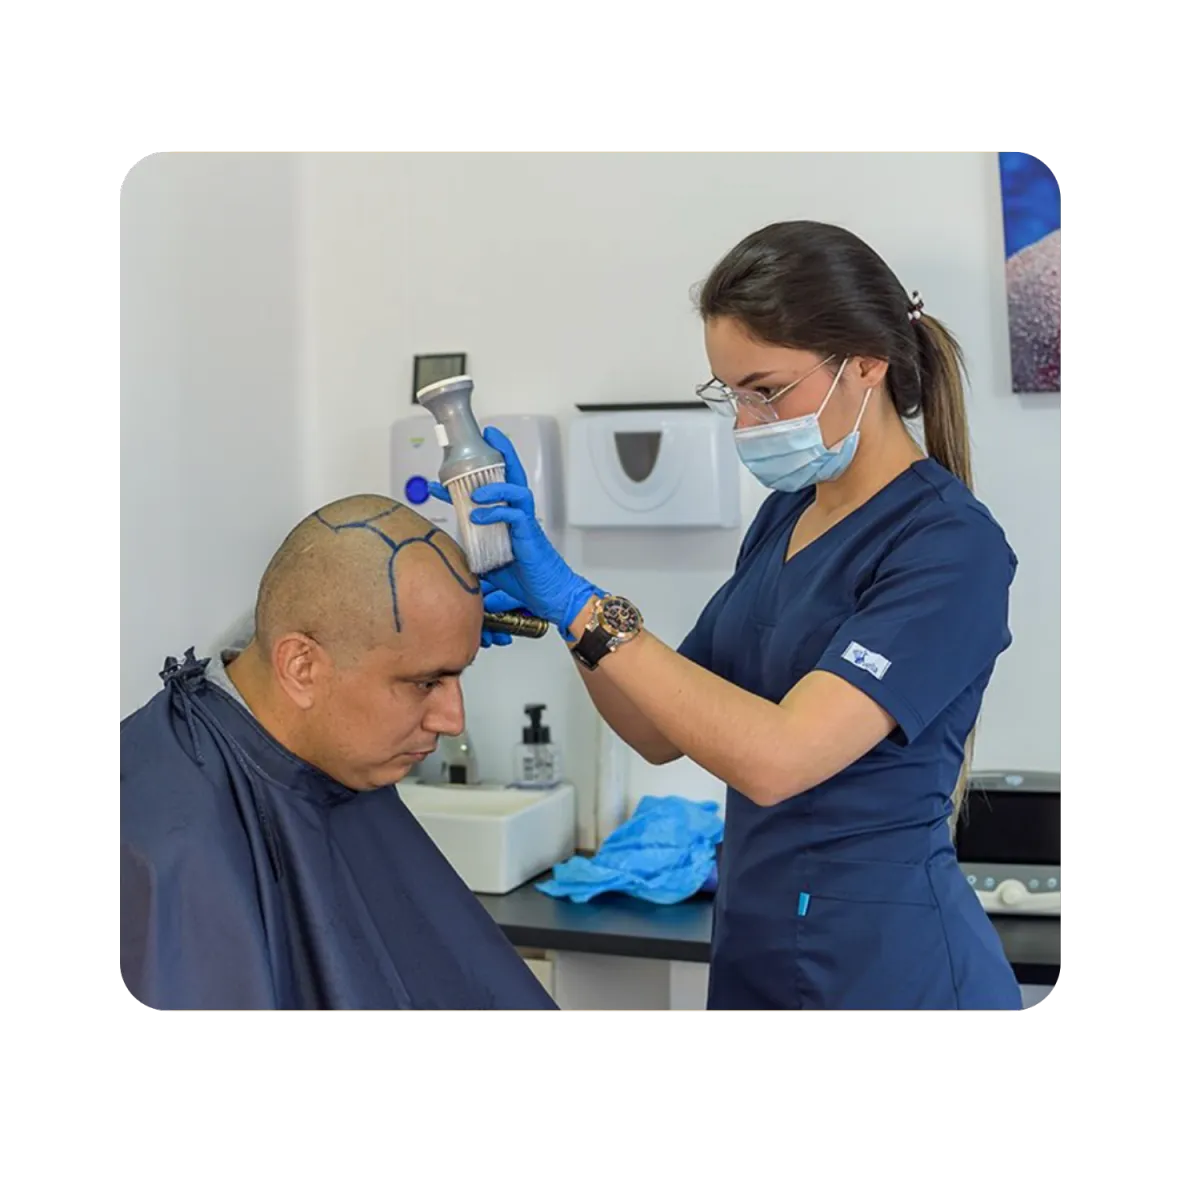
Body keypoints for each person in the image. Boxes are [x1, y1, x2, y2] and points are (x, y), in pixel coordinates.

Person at [433, 220, 1026, 1013]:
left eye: (766, 389)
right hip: (758, 944)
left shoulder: (950, 546)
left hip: (888, 967)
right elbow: (657, 730)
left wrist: (578, 601)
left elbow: (778, 758)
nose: (747, 422)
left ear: (866, 363)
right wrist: (565, 616)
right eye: (732, 394)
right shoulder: (786, 517)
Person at [119, 495, 559, 1014]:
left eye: (456, 675)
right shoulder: (168, 850)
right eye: (426, 682)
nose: (452, 719)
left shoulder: (332, 757)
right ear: (301, 667)